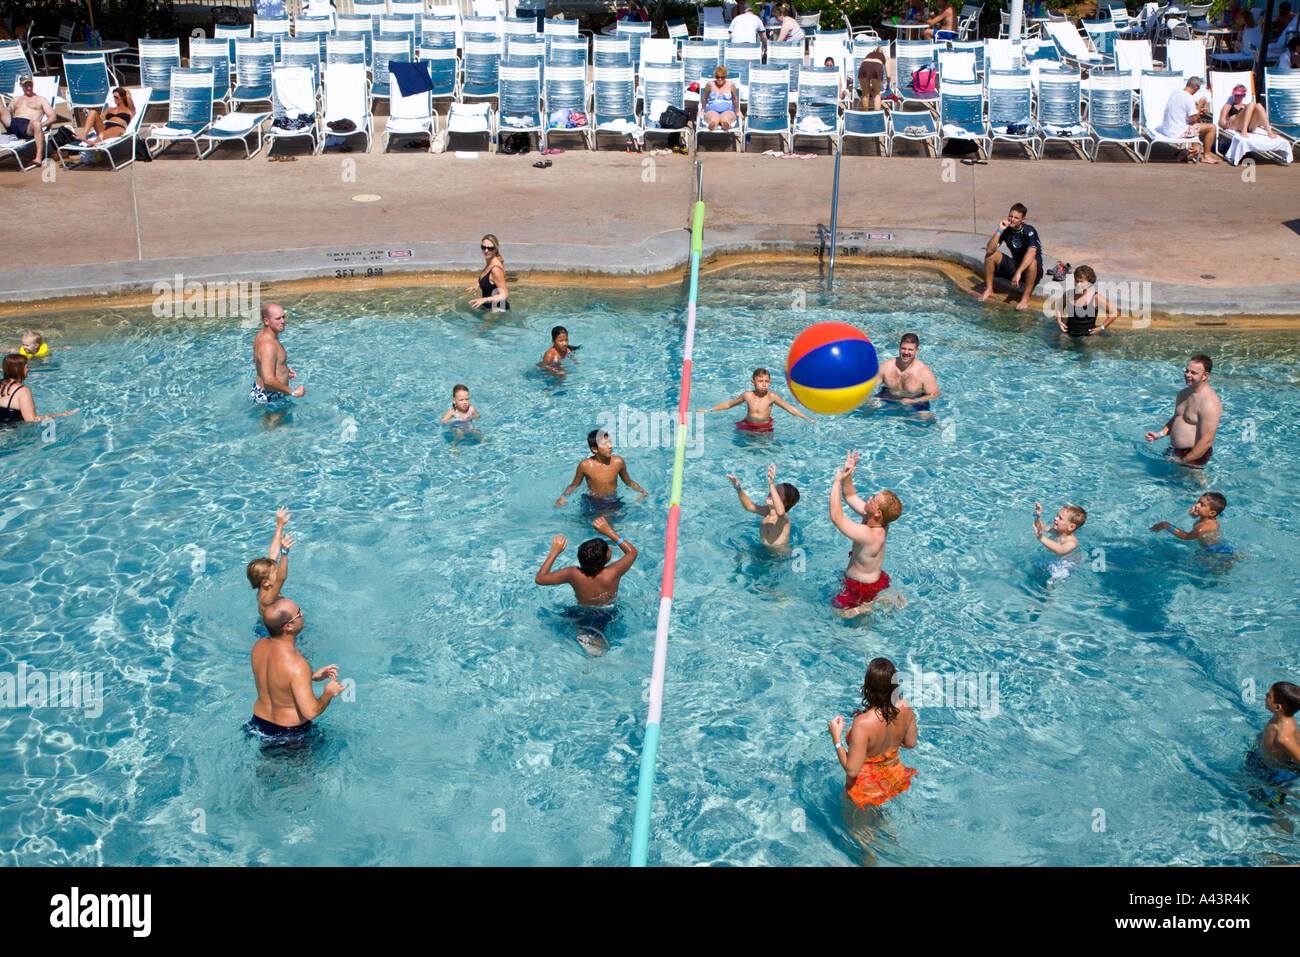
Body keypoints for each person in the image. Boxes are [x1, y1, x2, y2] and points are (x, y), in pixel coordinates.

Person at [535, 517, 638, 654]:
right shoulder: (613, 572)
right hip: (607, 613)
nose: (610, 549)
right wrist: (609, 532)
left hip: (580, 612)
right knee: (601, 637)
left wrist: (554, 551)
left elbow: (540, 579)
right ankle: (595, 646)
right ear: (607, 558)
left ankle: (582, 636)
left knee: (571, 619)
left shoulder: (573, 573)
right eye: (608, 550)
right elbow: (632, 552)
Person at [247, 598, 344, 742]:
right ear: (288, 627)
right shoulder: (297, 665)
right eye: (298, 614)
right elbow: (311, 712)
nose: (302, 613)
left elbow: (279, 678)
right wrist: (328, 694)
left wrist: (311, 676)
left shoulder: (259, 647)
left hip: (257, 724)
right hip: (289, 735)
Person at [828, 657, 918, 807]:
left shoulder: (862, 724)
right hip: (894, 779)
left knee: (859, 831)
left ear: (868, 686)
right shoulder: (905, 706)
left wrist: (836, 738)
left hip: (865, 790)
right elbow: (910, 743)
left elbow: (852, 770)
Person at [830, 453, 903, 618]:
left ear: (877, 513)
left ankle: (872, 604)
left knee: (840, 612)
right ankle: (878, 601)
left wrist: (836, 483)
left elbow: (837, 517)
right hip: (871, 580)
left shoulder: (869, 534)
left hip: (861, 586)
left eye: (873, 500)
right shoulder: (879, 521)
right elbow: (850, 496)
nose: (869, 498)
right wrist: (848, 474)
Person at [1144, 353, 1222, 468]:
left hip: (1194, 455)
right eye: (1186, 371)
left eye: (1193, 373)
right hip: (1175, 450)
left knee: (1196, 485)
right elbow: (1177, 418)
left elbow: (1207, 441)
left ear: (1205, 375)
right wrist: (1159, 434)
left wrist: (1184, 460)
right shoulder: (1183, 394)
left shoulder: (1209, 403)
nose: (1187, 375)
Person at [555, 428, 648, 511]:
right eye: (605, 444)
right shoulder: (585, 465)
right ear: (594, 449)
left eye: (610, 442)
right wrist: (563, 497)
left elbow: (628, 482)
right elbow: (574, 485)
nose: (610, 446)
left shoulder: (618, 462)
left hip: (612, 499)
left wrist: (642, 491)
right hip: (593, 500)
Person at [699, 367, 814, 432]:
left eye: (766, 381)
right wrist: (709, 410)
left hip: (765, 425)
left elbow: (790, 409)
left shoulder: (772, 397)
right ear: (753, 382)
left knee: (766, 446)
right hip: (747, 423)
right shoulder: (747, 396)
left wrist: (806, 417)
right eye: (760, 381)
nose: (764, 384)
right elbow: (729, 404)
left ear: (770, 383)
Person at [979, 203, 1044, 310]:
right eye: (1010, 216)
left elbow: (1032, 252)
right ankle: (989, 289)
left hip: (1032, 270)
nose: (1012, 219)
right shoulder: (1007, 230)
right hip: (1016, 265)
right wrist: (1000, 230)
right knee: (991, 255)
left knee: (1032, 261)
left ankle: (1025, 297)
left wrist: (1018, 273)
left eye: (1016, 218)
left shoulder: (1029, 231)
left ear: (1023, 219)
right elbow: (990, 249)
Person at [1247, 681, 1300, 806]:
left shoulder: (1283, 737)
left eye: (1269, 696)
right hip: (1263, 761)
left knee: (1271, 804)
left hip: (1276, 775)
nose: (1265, 696)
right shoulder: (1278, 718)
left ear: (1278, 707)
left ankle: (1281, 822)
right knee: (1250, 789)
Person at [246, 508, 295, 631]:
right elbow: (281, 578)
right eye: (276, 572)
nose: (279, 571)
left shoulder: (264, 587)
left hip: (270, 623)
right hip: (270, 630)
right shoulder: (267, 597)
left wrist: (279, 526)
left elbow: (273, 554)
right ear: (266, 582)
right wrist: (284, 553)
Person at [726, 463, 799, 547]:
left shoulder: (784, 519)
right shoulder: (767, 512)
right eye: (774, 489)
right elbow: (749, 506)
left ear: (785, 503)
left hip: (779, 557)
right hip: (763, 551)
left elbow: (781, 512)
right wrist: (738, 488)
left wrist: (771, 485)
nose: (771, 492)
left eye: (776, 493)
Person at [1155, 76, 1220, 164]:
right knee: (1211, 127)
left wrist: (1198, 111)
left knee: (1198, 123)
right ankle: (1206, 156)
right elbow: (1194, 118)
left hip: (1168, 128)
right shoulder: (1188, 97)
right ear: (1196, 87)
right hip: (1177, 131)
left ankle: (1194, 150)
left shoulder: (1175, 93)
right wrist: (1200, 105)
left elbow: (1180, 110)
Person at [0, 353, 76, 427]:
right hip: (9, 434)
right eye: (26, 367)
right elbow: (31, 419)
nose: (28, 369)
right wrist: (60, 415)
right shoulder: (22, 391)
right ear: (18, 369)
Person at [251, 303, 304, 406]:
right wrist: (292, 392)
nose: (283, 321)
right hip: (271, 396)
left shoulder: (260, 334)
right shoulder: (269, 345)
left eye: (283, 317)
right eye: (278, 319)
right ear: (266, 321)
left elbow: (257, 360)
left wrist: (282, 370)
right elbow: (268, 380)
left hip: (260, 391)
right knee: (278, 422)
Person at [1150, 492, 1233, 555]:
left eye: (1202, 505)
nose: (1197, 505)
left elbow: (1186, 536)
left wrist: (1166, 525)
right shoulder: (1208, 518)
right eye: (1198, 502)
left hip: (1212, 551)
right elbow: (1198, 516)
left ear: (1212, 513)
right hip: (1219, 544)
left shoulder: (1203, 528)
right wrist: (1193, 514)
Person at [0, 74, 55, 166]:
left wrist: (40, 126)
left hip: (29, 127)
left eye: (30, 85)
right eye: (26, 85)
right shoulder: (16, 99)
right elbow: (8, 111)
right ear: (21, 85)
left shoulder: (41, 100)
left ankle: (38, 156)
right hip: (14, 125)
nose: (29, 87)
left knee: (36, 123)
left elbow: (53, 117)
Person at [876, 333, 941, 410]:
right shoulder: (886, 366)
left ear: (916, 351)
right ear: (899, 348)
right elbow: (871, 385)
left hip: (915, 399)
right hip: (888, 395)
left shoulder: (924, 373)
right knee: (869, 404)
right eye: (903, 348)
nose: (906, 352)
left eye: (910, 350)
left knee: (925, 417)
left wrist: (913, 401)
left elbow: (934, 394)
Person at [1054, 265, 1118, 337]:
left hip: (1088, 336)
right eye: (1077, 281)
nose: (1078, 284)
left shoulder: (1095, 298)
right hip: (1068, 333)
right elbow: (1059, 306)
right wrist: (1059, 321)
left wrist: (1101, 328)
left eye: (1082, 282)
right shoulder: (1068, 294)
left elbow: (1114, 312)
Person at [469, 234, 509, 309]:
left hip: (497, 311)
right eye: (483, 247)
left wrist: (484, 299)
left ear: (496, 249)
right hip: (490, 308)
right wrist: (478, 284)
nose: (486, 250)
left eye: (490, 248)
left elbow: (505, 295)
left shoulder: (495, 269)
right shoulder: (490, 262)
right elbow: (489, 279)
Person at [701, 66, 740, 132]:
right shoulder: (710, 85)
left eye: (722, 77)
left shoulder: (731, 85)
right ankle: (713, 124)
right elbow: (704, 98)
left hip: (728, 109)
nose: (720, 79)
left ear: (726, 76)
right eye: (717, 77)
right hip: (712, 109)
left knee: (725, 119)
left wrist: (737, 112)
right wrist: (702, 110)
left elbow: (735, 99)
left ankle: (725, 124)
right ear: (715, 76)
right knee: (713, 119)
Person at [856, 45, 887, 112]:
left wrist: (870, 90)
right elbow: (889, 74)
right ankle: (876, 116)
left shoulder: (869, 55)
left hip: (864, 66)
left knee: (865, 94)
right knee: (877, 95)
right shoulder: (884, 56)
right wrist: (888, 84)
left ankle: (865, 115)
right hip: (877, 66)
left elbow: (868, 66)